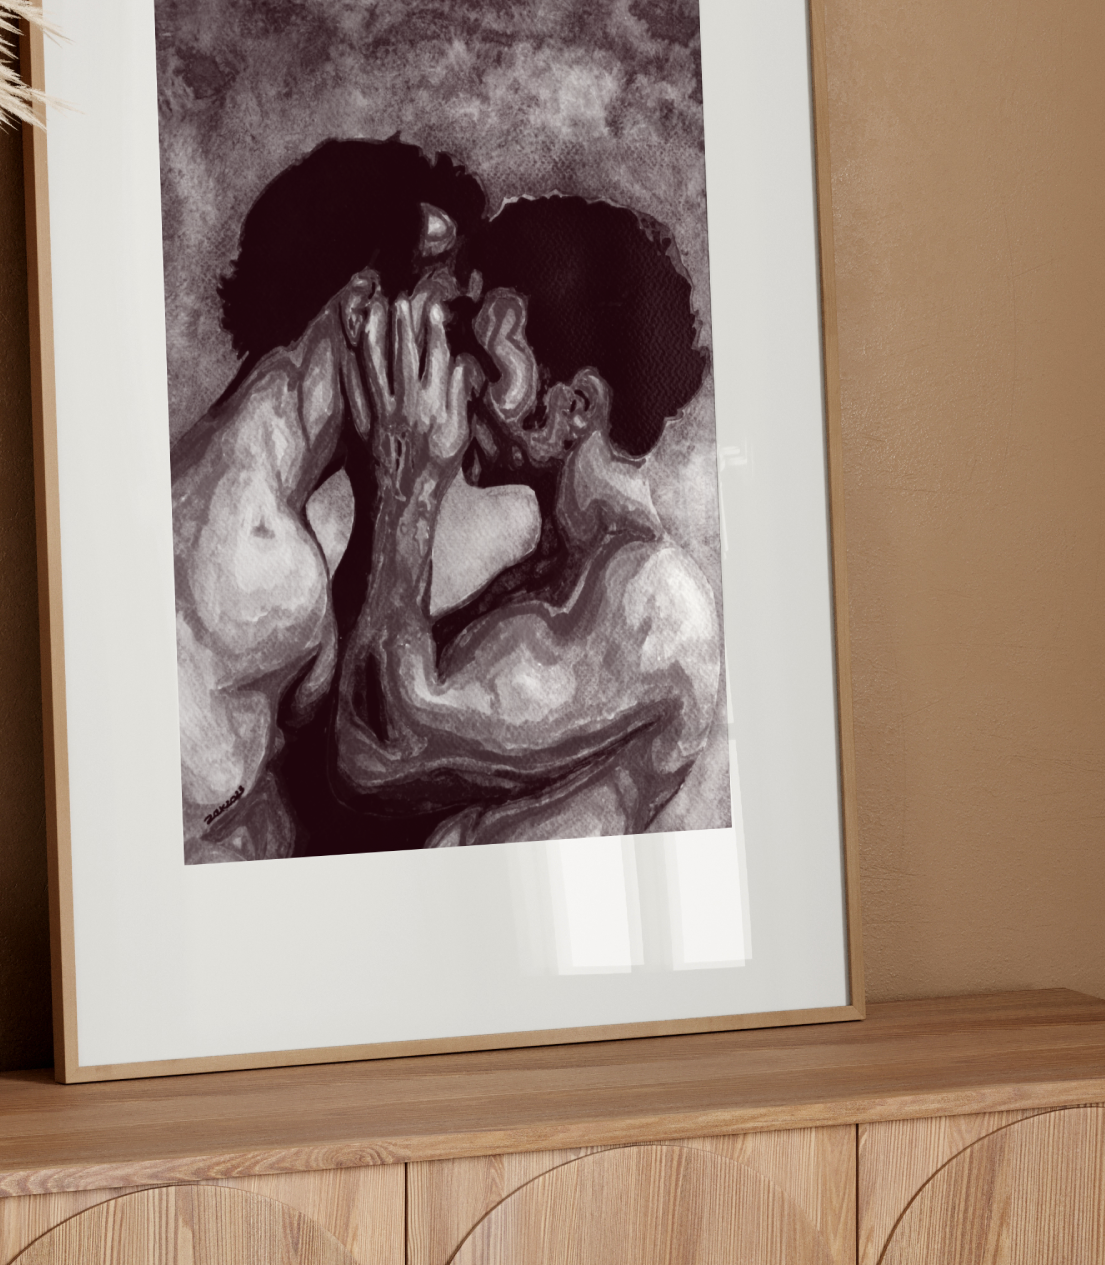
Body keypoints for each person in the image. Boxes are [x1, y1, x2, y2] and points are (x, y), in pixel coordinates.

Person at [331, 193, 724, 843]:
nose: (461, 384)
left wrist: (406, 489)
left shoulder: (656, 599)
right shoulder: (553, 574)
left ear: (576, 406)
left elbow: (379, 749)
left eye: (487, 364)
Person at [172, 137, 487, 861]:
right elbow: (353, 760)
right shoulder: (263, 555)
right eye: (442, 315)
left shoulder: (249, 496)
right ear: (361, 312)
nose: (461, 361)